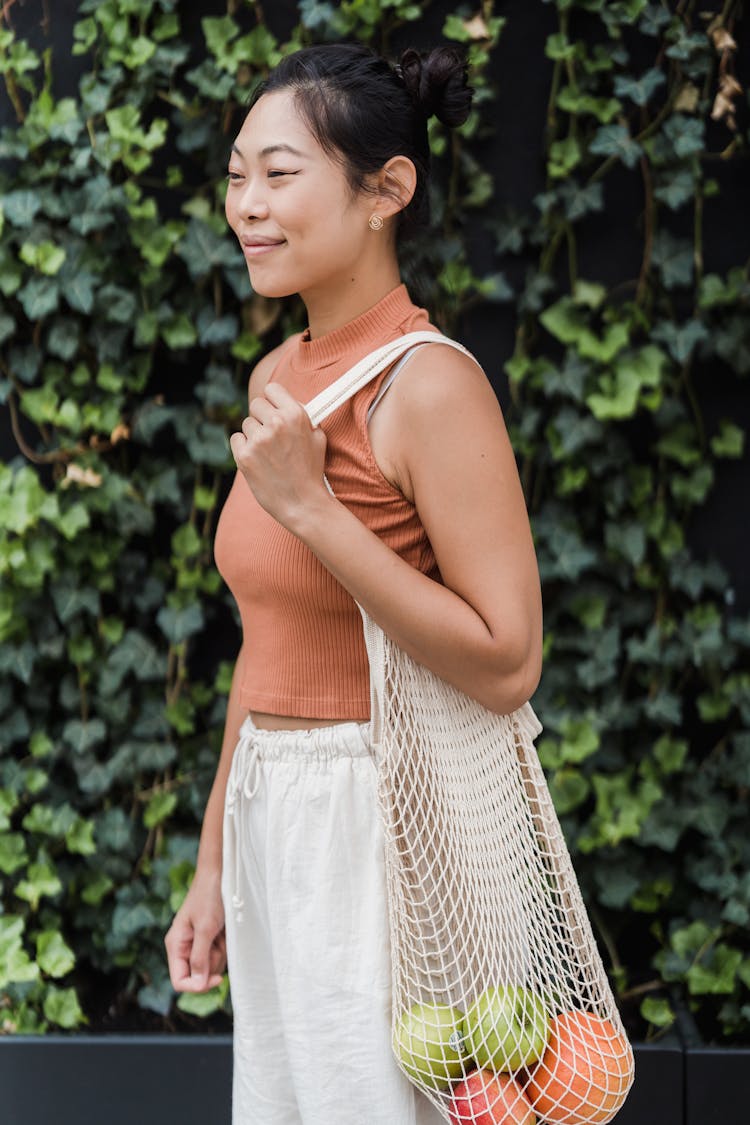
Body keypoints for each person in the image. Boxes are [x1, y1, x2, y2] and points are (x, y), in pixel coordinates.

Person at [164, 41, 543, 1125]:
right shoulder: (279, 376)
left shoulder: (431, 387)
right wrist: (212, 864)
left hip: (385, 821)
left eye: (280, 174)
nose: (247, 205)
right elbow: (265, 642)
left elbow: (510, 661)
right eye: (238, 174)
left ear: (388, 190)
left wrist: (314, 510)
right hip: (273, 809)